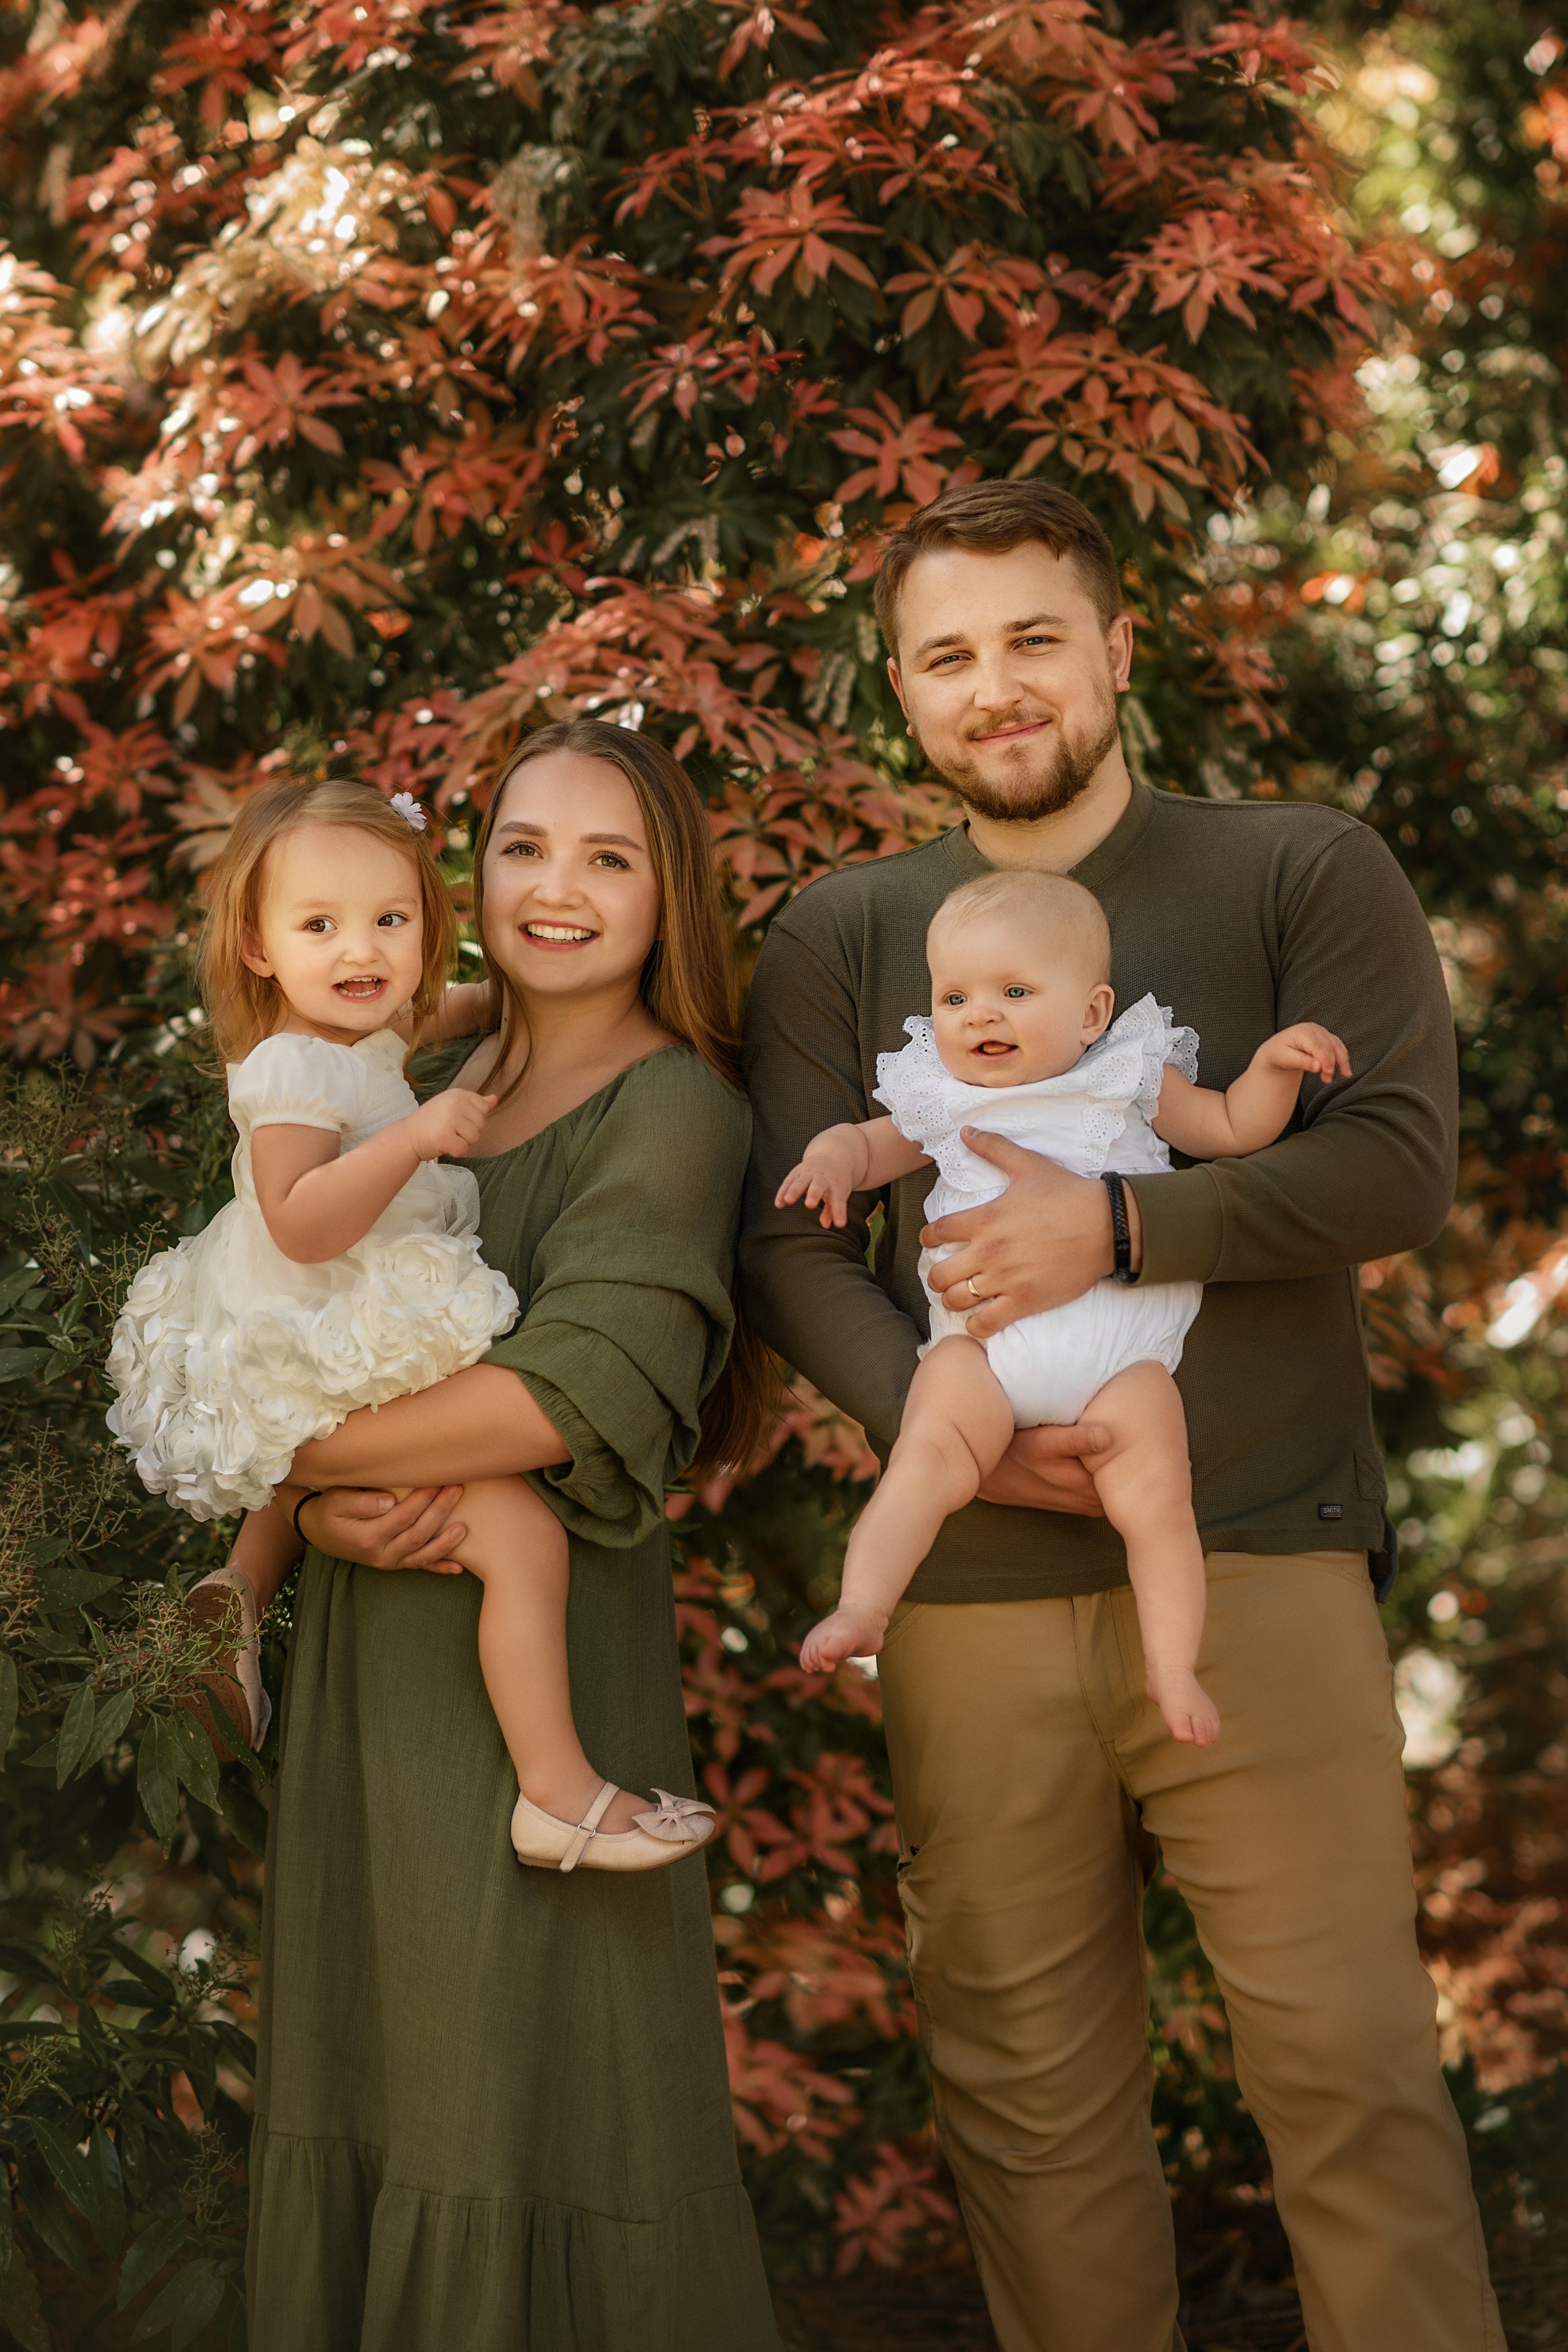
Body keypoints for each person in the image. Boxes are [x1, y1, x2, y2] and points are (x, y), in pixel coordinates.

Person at [740, 480, 1504, 2351]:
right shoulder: (848, 933)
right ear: (901, 691)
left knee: (1351, 2082)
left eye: (1031, 640)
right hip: (972, 1595)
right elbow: (796, 1249)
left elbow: (1394, 1170)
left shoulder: (1296, 870)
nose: (994, 687)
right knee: (1028, 2113)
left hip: (1257, 1562)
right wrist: (972, 1444)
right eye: (946, 655)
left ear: (1118, 650)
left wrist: (1129, 1220)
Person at [243, 721, 782, 2350]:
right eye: (527, 849)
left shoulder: (677, 1104)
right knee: (384, 2072)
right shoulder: (432, 1063)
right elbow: (285, 1275)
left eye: (609, 858)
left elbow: (574, 1389)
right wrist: (319, 1515)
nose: (559, 890)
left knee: (541, 2091)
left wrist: (299, 1455)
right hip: (375, 1659)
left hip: (539, 1678)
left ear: (666, 894)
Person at [107, 774, 715, 1874]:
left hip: (339, 1346)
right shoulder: (301, 1063)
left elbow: (450, 1011)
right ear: (255, 946)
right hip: (320, 1304)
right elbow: (296, 1225)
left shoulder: (387, 1034)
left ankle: (239, 1587)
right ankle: (558, 1791)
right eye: (321, 925)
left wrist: (505, 1004)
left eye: (391, 921)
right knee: (520, 1542)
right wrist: (419, 1137)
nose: (362, 951)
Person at [778, 865, 1351, 1747]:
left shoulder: (1129, 1074)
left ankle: (1170, 1666)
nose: (981, 1015)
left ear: (1092, 1013)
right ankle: (863, 1609)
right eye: (957, 995)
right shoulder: (940, 1092)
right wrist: (829, 1161)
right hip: (984, 1357)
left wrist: (1276, 1068)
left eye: (1014, 990)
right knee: (927, 1457)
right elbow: (864, 1145)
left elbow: (1234, 1130)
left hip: (1122, 1367)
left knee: (1159, 1503)